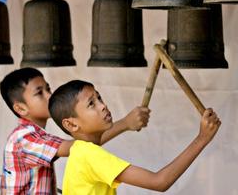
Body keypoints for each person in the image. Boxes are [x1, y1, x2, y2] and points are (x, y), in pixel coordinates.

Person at [49, 80, 221, 195]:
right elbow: (159, 182)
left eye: (99, 98)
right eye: (91, 104)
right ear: (71, 125)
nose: (103, 106)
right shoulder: (89, 155)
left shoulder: (81, 151)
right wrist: (202, 139)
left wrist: (126, 122)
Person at [0, 68, 150, 194]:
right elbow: (80, 145)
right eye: (40, 93)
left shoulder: (36, 135)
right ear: (20, 108)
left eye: (48, 89)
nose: (49, 95)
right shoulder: (23, 137)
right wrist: (125, 123)